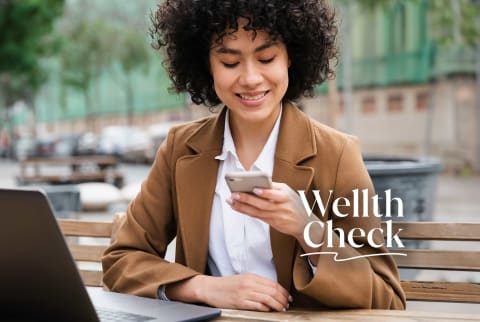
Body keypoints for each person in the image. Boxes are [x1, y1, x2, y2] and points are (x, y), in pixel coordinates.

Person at [102, 0, 406, 311]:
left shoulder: (337, 155)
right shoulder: (181, 149)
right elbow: (121, 260)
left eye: (266, 58)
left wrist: (307, 228)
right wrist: (204, 288)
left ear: (291, 57)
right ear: (206, 64)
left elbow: (387, 297)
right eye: (230, 63)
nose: (250, 78)